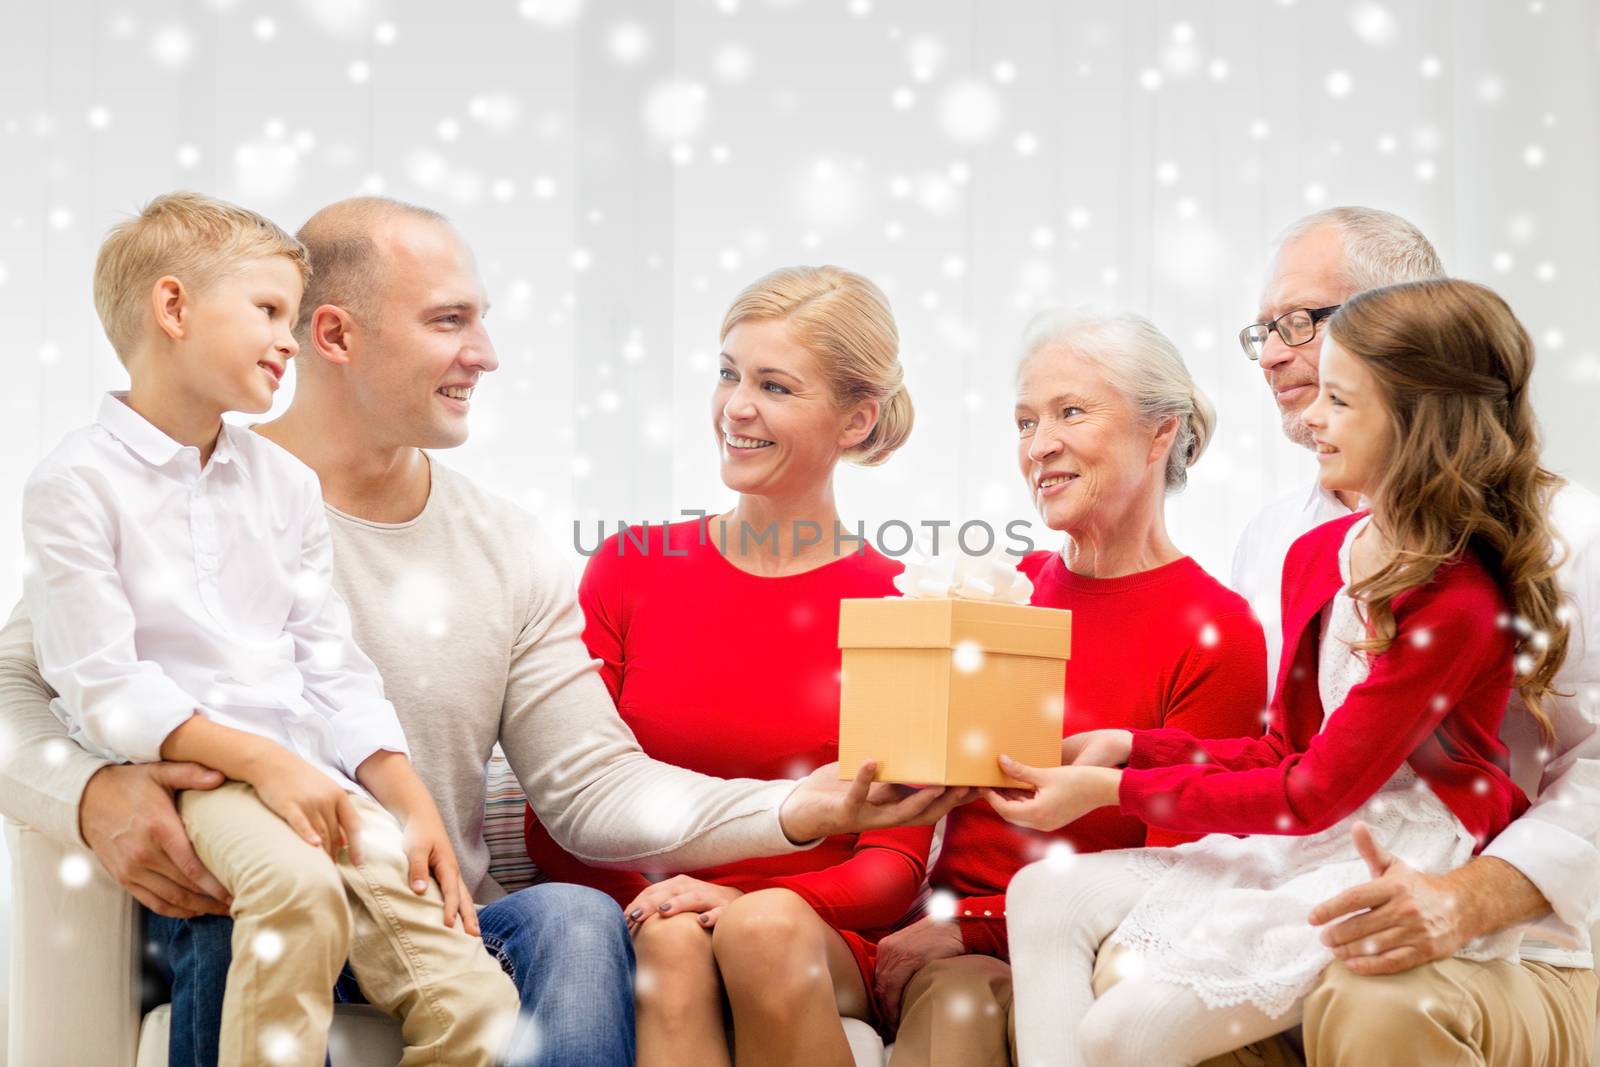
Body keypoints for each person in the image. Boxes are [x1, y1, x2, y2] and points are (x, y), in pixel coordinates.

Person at [0, 198, 964, 1067]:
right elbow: (22, 689)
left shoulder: (505, 545)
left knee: (577, 922)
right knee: (259, 917)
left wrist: (802, 811)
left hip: (431, 904)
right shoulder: (169, 491)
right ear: (334, 333)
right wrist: (91, 792)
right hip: (239, 886)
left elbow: (592, 787)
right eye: (450, 321)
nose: (487, 354)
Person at [1001, 278, 1572, 1067]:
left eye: (1339, 402)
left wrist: (1113, 789)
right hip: (1309, 833)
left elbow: (1315, 792)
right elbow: (1282, 752)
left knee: (1122, 1032)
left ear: (1416, 420)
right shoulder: (1313, 555)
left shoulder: (1459, 601)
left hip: (1395, 852)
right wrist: (1135, 747)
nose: (1308, 420)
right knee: (1041, 893)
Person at [18, 191, 522, 1067]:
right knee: (296, 896)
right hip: (207, 776)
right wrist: (266, 762)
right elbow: (99, 681)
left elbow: (332, 660)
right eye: (268, 311)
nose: (288, 339)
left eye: (292, 317)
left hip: (319, 778)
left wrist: (405, 796)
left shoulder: (282, 484)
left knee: (476, 999)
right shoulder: (74, 484)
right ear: (172, 308)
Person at [523, 265, 934, 1067]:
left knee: (760, 929)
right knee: (675, 943)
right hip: (652, 916)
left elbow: (891, 864)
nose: (736, 407)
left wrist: (740, 896)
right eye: (728, 373)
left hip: (814, 931)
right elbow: (555, 820)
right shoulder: (630, 566)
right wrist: (661, 904)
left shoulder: (900, 605)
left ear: (856, 420)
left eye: (775, 385)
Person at [1231, 207, 1600, 1065]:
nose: (1275, 354)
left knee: (1376, 1005)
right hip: (1311, 909)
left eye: (1301, 323)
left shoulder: (1569, 532)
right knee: (1131, 973)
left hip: (1522, 941)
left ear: (1406, 329)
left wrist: (1467, 898)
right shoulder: (1278, 536)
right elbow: (1279, 753)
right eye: (1263, 331)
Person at [873, 310, 1268, 1067]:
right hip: (943, 931)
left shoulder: (1217, 630)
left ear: (1160, 435)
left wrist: (971, 925)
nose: (1038, 445)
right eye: (1025, 421)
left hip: (1067, 943)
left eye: (1070, 412)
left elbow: (1178, 878)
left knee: (965, 999)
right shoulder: (1005, 597)